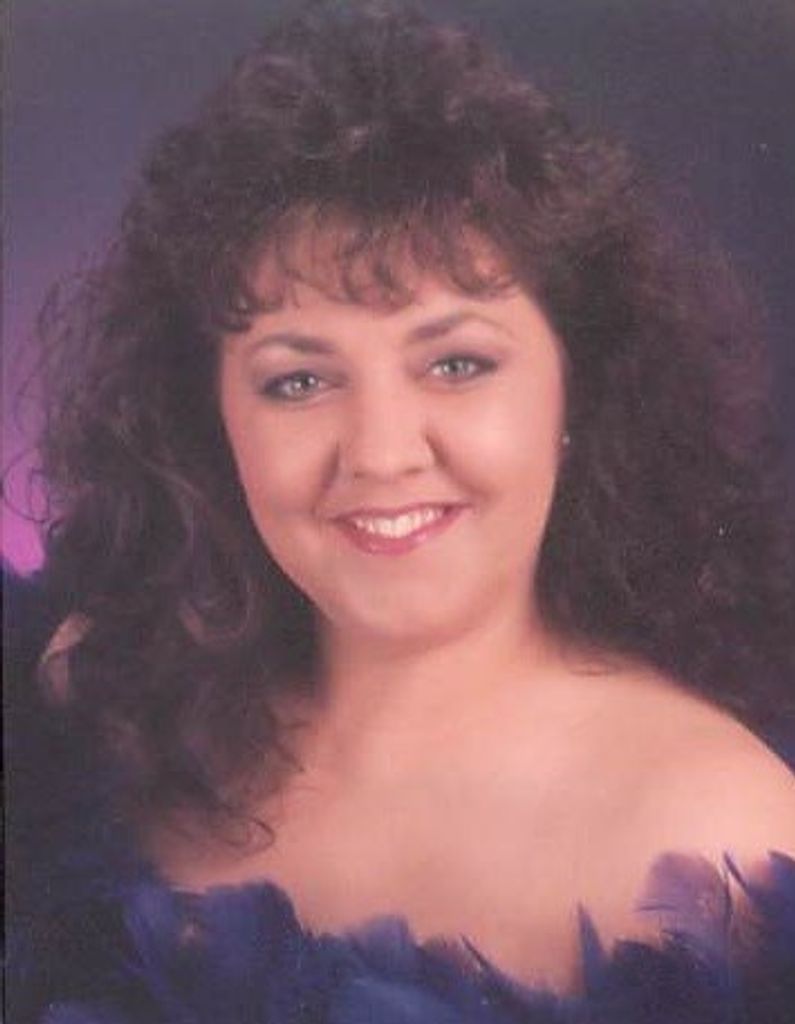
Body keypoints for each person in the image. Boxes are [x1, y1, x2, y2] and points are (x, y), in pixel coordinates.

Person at [8, 2, 795, 1020]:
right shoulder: (94, 702)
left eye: (456, 363)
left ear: (578, 392)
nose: (381, 452)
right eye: (297, 381)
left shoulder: (729, 845)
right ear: (209, 423)